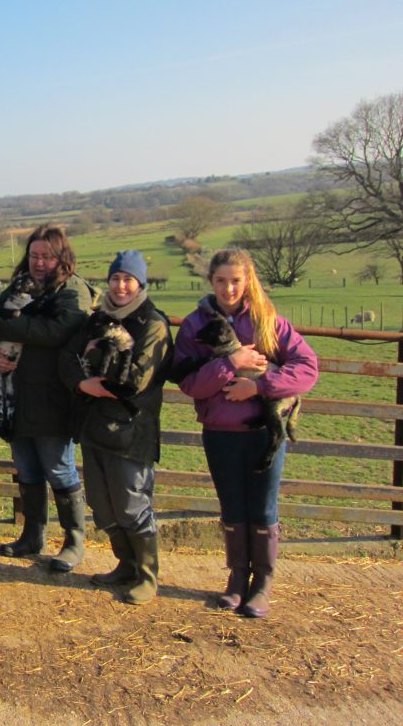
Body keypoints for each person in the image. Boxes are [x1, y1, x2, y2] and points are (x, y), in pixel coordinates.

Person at [175, 248, 318, 618]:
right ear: (211, 282)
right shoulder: (194, 326)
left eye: (236, 280)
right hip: (219, 431)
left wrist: (259, 387)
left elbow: (307, 367)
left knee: (263, 507)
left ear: (247, 280)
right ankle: (237, 579)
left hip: (262, 431)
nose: (228, 288)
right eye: (221, 281)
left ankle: (263, 583)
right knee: (233, 508)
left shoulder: (268, 321)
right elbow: (189, 383)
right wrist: (230, 364)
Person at [59, 250, 172, 604]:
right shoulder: (97, 319)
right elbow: (66, 358)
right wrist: (81, 383)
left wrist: (92, 359)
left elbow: (136, 380)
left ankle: (147, 575)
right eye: (116, 278)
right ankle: (125, 564)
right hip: (94, 425)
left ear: (140, 283)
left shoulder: (152, 324)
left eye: (128, 279)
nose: (121, 286)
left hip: (131, 429)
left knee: (131, 503)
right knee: (102, 504)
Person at [0, 225, 94, 572]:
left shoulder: (72, 289)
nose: (39, 262)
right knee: (28, 468)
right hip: (16, 395)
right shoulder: (18, 287)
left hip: (53, 395)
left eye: (47, 256)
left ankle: (74, 540)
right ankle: (33, 535)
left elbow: (56, 331)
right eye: (34, 255)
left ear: (61, 257)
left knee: (59, 468)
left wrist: (2, 328)